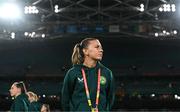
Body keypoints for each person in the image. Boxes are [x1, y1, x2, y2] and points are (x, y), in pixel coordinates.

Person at [61, 38, 115, 112]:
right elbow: (65, 99)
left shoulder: (107, 73)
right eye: (97, 47)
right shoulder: (73, 73)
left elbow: (110, 98)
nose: (101, 50)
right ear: (85, 51)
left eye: (101, 48)